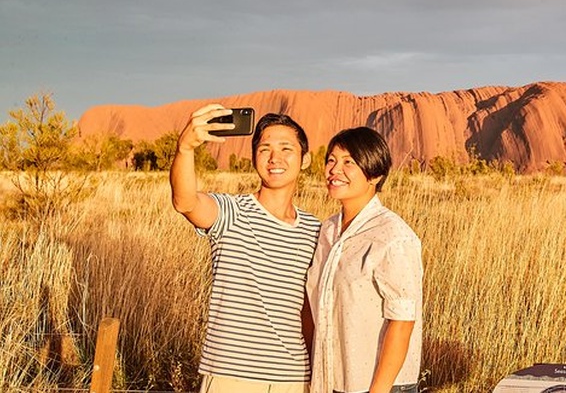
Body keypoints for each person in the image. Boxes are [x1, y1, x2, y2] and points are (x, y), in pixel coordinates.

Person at [170, 104, 321, 393]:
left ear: (305, 160)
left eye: (286, 149)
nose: (275, 158)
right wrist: (185, 149)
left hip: (293, 377)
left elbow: (308, 311)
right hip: (230, 377)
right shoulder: (231, 213)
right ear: (254, 158)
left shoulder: (315, 230)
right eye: (265, 149)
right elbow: (185, 202)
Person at [307, 127, 423, 393]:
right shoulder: (327, 231)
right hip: (331, 381)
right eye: (331, 160)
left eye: (349, 162)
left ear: (375, 173)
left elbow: (402, 322)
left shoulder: (393, 236)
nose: (334, 170)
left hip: (378, 386)